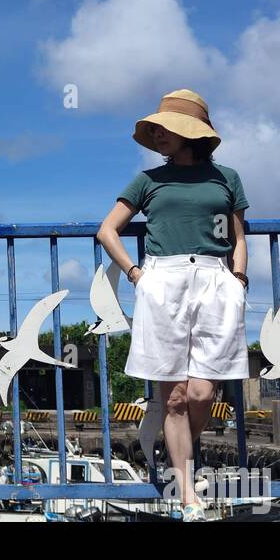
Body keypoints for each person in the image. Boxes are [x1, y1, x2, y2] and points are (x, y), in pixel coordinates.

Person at [96, 89, 251, 522]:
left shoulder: (227, 178)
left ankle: (172, 454)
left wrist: (237, 280)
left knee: (203, 391)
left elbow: (239, 237)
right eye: (156, 129)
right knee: (176, 397)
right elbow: (108, 230)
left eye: (168, 128)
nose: (159, 135)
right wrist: (137, 275)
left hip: (216, 278)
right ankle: (187, 494)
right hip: (162, 278)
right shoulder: (147, 181)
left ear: (191, 133)